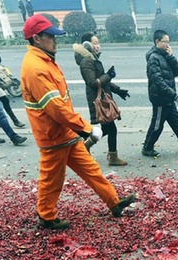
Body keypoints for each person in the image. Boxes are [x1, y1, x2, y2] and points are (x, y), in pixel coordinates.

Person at [20, 14, 136, 230]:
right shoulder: (36, 68)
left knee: (91, 170)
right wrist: (86, 128)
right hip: (52, 136)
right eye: (50, 37)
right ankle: (46, 216)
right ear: (36, 38)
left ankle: (114, 202)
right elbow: (56, 109)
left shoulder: (45, 60)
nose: (55, 41)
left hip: (65, 133)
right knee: (52, 179)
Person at [74, 33, 130, 166]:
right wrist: (109, 75)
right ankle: (111, 157)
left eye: (98, 43)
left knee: (107, 130)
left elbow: (103, 82)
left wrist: (118, 90)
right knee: (111, 129)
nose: (98, 45)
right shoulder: (86, 61)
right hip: (98, 100)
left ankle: (85, 144)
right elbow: (93, 83)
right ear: (87, 45)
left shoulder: (92, 58)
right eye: (95, 43)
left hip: (102, 98)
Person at [142, 30, 178, 158]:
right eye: (165, 42)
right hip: (160, 98)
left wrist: (171, 57)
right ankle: (147, 147)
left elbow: (176, 72)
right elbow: (158, 81)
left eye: (168, 42)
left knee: (177, 122)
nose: (167, 45)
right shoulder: (153, 58)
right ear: (157, 42)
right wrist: (174, 95)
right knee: (157, 125)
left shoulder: (164, 55)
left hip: (167, 98)